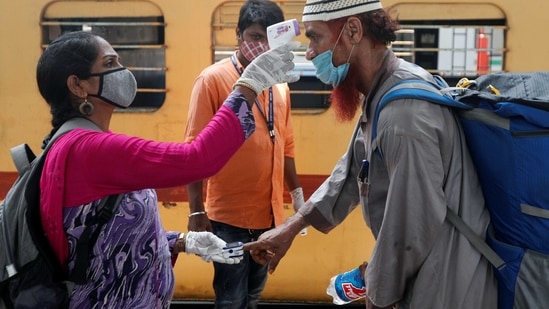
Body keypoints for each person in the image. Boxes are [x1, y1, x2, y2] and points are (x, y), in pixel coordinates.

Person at [243, 0, 498, 308]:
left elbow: (409, 229)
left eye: (315, 37)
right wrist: (292, 227)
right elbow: (351, 173)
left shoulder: (404, 116)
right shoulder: (385, 92)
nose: (309, 53)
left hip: (447, 285)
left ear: (352, 30)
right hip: (433, 274)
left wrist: (378, 295)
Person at [35, 30, 299, 308]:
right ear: (77, 86)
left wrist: (181, 242)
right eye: (110, 64)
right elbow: (197, 159)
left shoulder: (71, 143)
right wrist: (248, 85)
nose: (123, 71)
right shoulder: (91, 150)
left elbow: (104, 234)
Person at [183, 1, 304, 308]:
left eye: (270, 40)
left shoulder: (280, 87)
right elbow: (192, 150)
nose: (262, 47)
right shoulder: (212, 80)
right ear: (237, 35)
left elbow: (285, 145)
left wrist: (298, 197)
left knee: (252, 296)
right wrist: (196, 212)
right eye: (254, 37)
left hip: (270, 217)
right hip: (228, 220)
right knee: (231, 300)